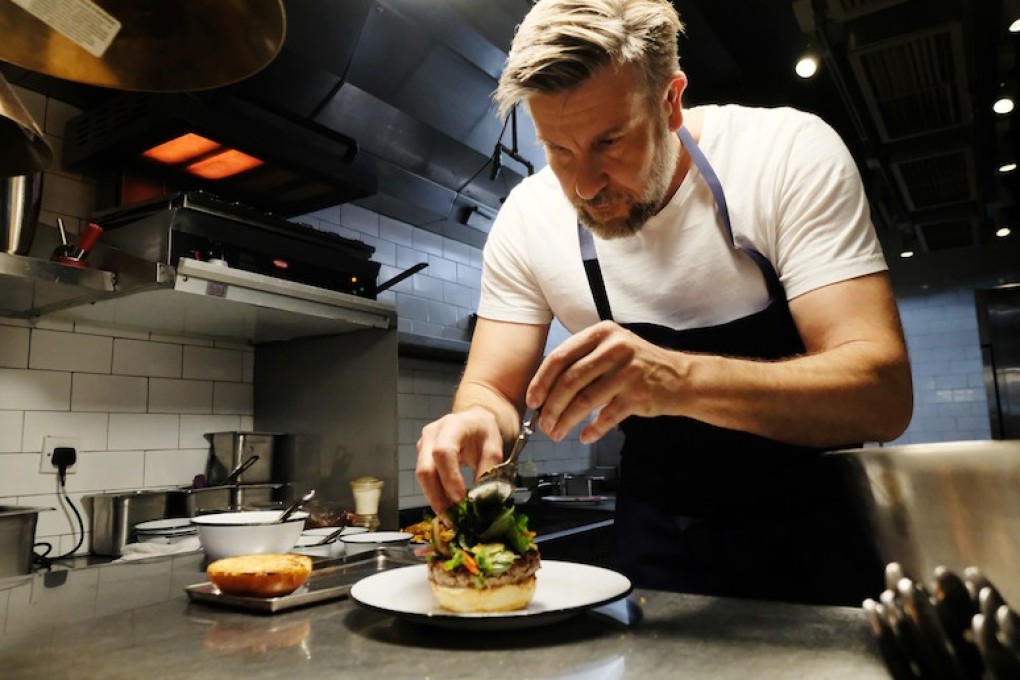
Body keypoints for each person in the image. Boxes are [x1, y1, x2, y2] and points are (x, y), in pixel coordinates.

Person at [416, 0, 913, 606]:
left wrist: (676, 379)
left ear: (671, 100)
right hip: (656, 534)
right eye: (559, 149)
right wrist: (472, 420)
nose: (586, 185)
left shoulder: (784, 154)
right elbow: (492, 391)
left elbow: (882, 396)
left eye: (610, 141)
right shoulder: (527, 218)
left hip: (812, 529)